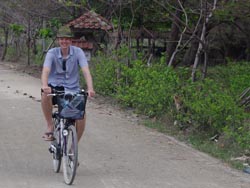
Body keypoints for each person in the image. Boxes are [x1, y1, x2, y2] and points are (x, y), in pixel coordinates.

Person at [41, 25, 95, 141]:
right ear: (58, 40)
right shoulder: (52, 53)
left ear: (70, 40)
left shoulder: (78, 52)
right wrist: (45, 85)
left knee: (81, 115)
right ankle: (50, 126)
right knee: (45, 95)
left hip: (72, 89)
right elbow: (46, 70)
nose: (64, 41)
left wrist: (90, 88)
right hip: (55, 88)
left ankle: (74, 148)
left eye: (66, 39)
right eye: (61, 39)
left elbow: (85, 70)